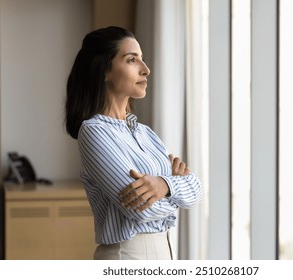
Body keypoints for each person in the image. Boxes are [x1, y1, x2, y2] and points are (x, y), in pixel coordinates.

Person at [64, 26, 203, 260]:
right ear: (104, 70)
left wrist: (165, 186)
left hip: (166, 253)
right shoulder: (94, 132)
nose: (146, 70)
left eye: (143, 60)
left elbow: (197, 189)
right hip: (127, 257)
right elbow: (139, 209)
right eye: (132, 60)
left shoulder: (145, 133)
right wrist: (177, 188)